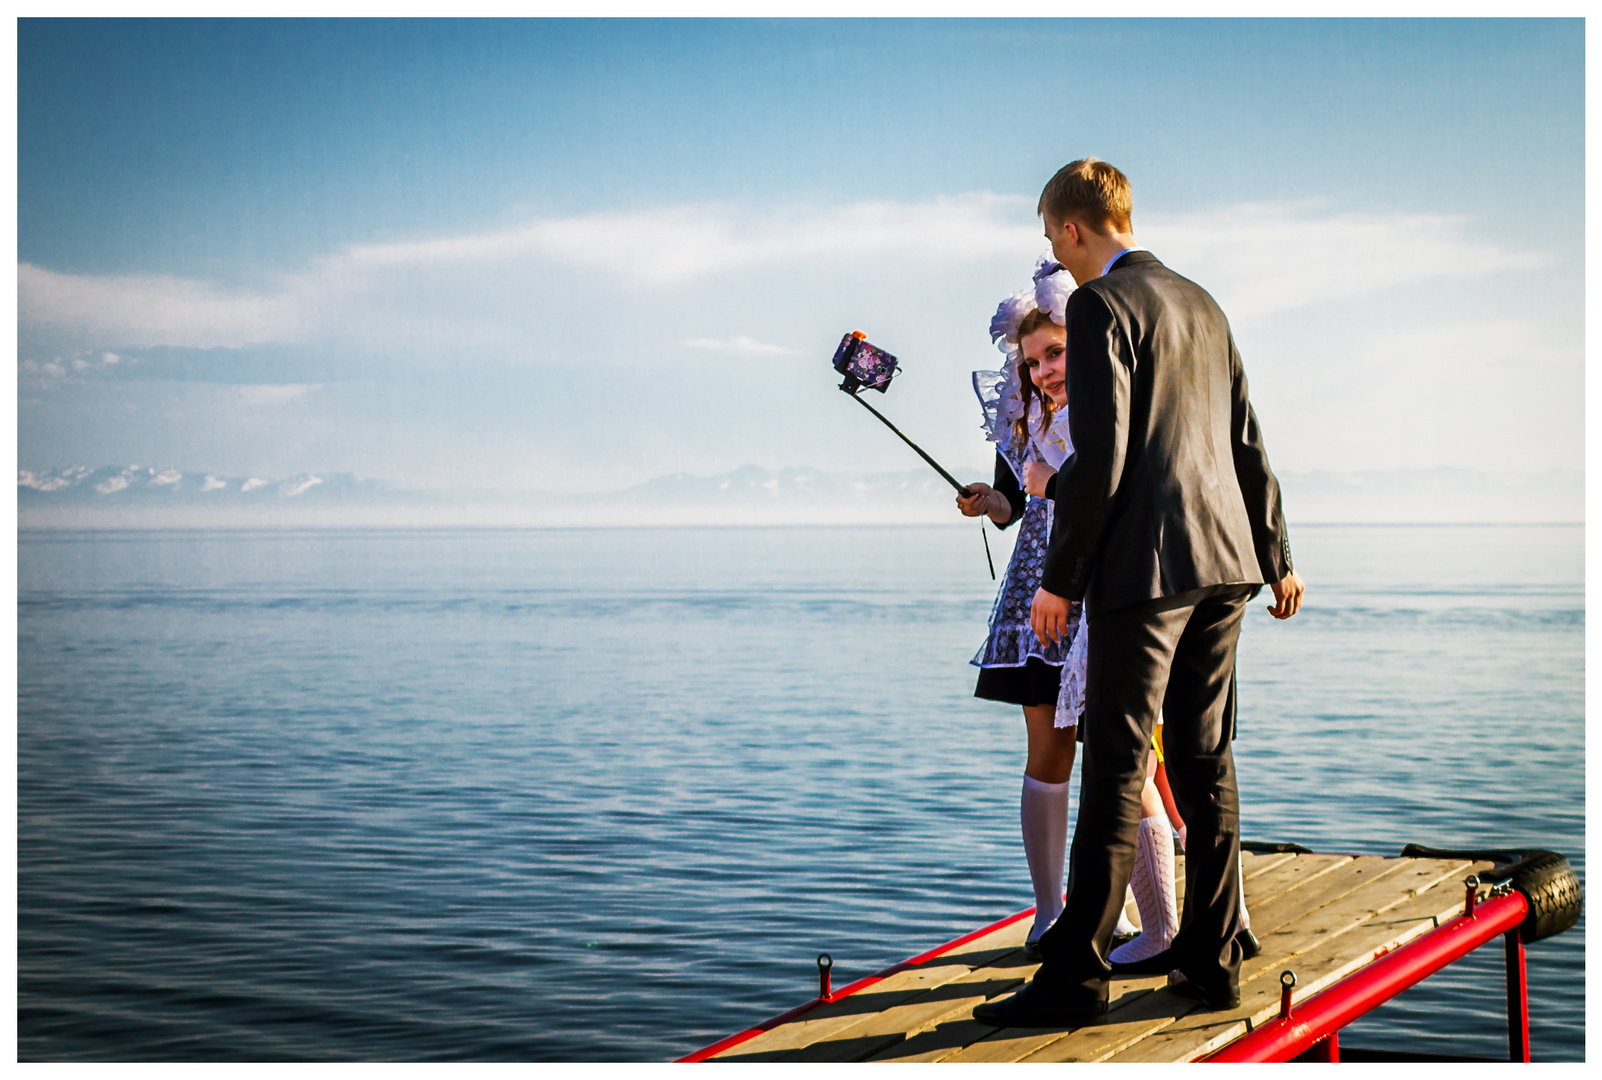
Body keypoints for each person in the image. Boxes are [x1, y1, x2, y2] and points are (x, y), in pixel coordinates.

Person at [975, 158, 1304, 1029]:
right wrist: (1275, 555)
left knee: (1118, 767)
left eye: (1053, 237)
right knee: (1204, 760)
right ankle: (1212, 957)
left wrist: (1059, 582)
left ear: (1074, 228)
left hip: (1146, 570)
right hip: (1226, 563)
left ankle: (1075, 977)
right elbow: (1246, 440)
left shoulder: (1099, 306)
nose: (1056, 253)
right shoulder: (1205, 303)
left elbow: (1107, 456)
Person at [958, 259, 1179, 962]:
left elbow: (1118, 488)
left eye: (1054, 352)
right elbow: (1014, 504)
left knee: (1131, 758)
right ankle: (1050, 914)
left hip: (1106, 588)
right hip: (1036, 592)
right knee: (1048, 752)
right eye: (1031, 361)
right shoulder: (1022, 414)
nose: (1044, 370)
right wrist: (987, 502)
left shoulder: (1112, 400)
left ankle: (1161, 925)